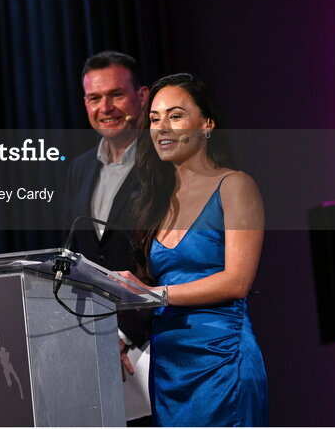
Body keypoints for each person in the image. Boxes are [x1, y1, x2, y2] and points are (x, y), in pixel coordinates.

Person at [120, 72, 268, 426]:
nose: (162, 128)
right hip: (169, 364)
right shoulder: (155, 201)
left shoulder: (235, 185)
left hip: (221, 357)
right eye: (154, 119)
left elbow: (237, 281)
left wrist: (155, 294)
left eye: (175, 115)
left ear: (207, 124)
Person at [65, 51, 153, 424]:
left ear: (143, 96)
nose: (106, 108)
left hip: (158, 347)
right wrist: (93, 338)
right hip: (97, 355)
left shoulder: (165, 164)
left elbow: (169, 263)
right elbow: (72, 260)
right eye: (94, 98)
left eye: (116, 94)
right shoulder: (79, 169)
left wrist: (120, 336)